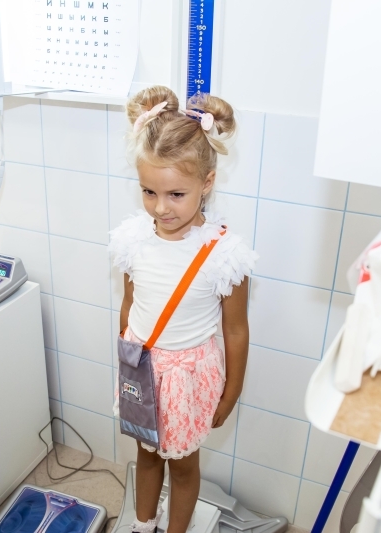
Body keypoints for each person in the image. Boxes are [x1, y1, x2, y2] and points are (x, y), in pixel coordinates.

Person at [110, 86, 258, 533]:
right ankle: (142, 525)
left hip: (188, 379)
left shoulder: (224, 254)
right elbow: (130, 304)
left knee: (183, 465)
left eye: (176, 194)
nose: (160, 207)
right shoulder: (133, 239)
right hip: (141, 369)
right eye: (149, 191)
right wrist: (126, 361)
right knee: (145, 454)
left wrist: (232, 392)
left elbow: (236, 330)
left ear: (206, 183)